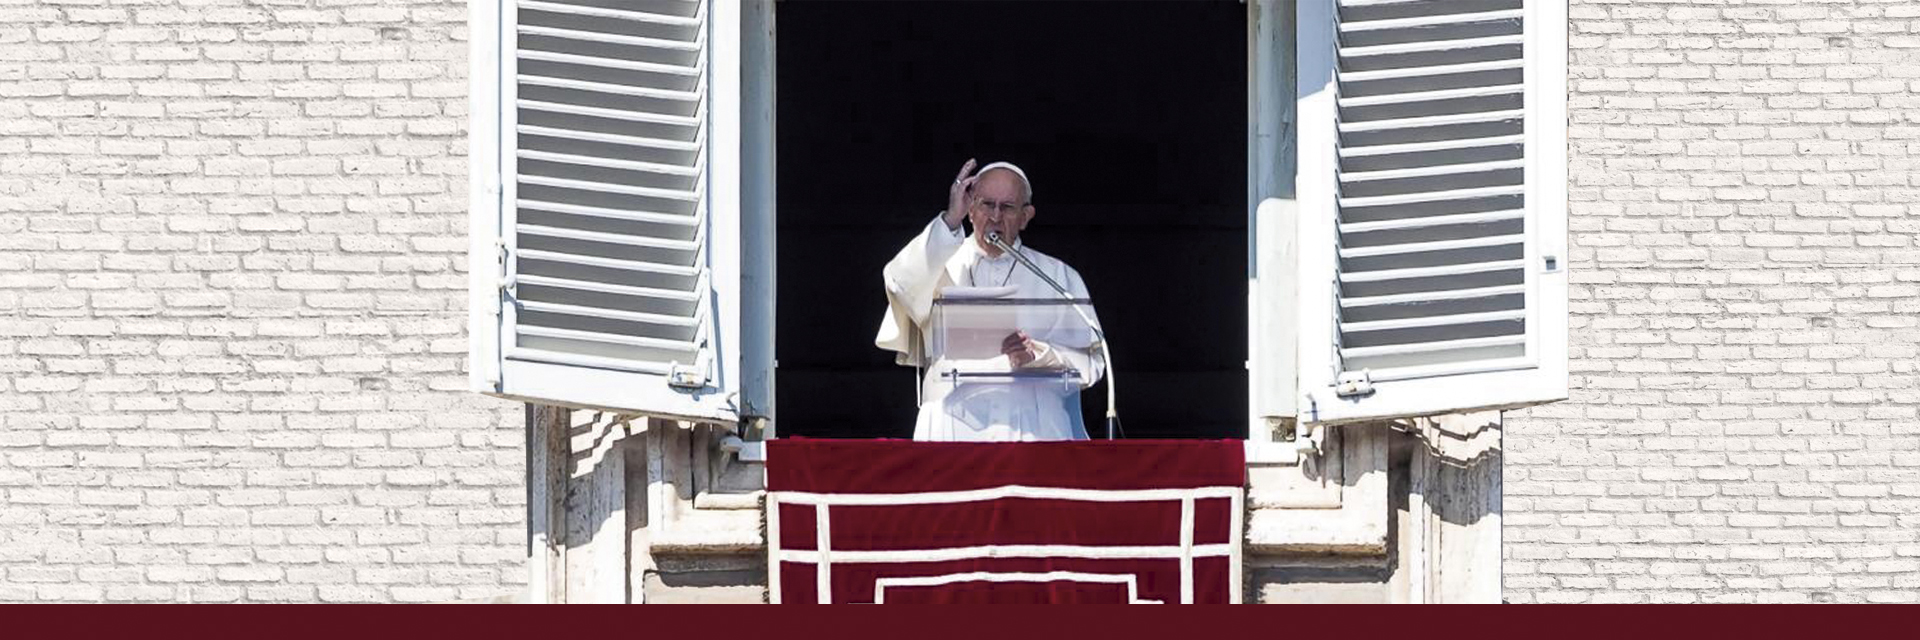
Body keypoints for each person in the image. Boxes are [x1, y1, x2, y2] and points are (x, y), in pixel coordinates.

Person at [874, 159, 1106, 441]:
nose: (995, 216)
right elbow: (900, 284)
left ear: (1026, 216)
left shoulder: (1057, 276)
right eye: (986, 204)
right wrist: (950, 219)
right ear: (970, 209)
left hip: (1032, 430)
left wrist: (1037, 355)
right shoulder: (937, 261)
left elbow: (1092, 364)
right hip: (951, 428)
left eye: (1007, 207)